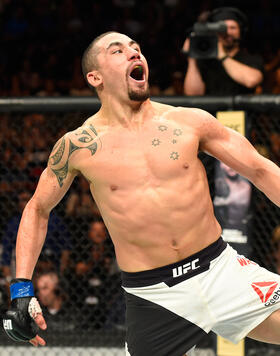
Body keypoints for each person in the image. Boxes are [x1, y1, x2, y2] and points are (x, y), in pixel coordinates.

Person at [2, 31, 280, 356]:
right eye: (118, 51)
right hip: (154, 295)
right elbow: (37, 210)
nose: (135, 54)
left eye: (137, 49)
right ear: (95, 77)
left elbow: (261, 170)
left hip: (220, 270)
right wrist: (20, 288)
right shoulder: (78, 145)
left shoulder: (189, 122)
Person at [183, 7, 264, 96]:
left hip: (242, 109)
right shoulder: (206, 61)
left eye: (232, 28)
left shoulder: (251, 58)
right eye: (222, 28)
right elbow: (193, 95)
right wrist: (192, 59)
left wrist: (222, 55)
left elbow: (251, 81)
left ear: (241, 32)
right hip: (210, 109)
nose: (228, 32)